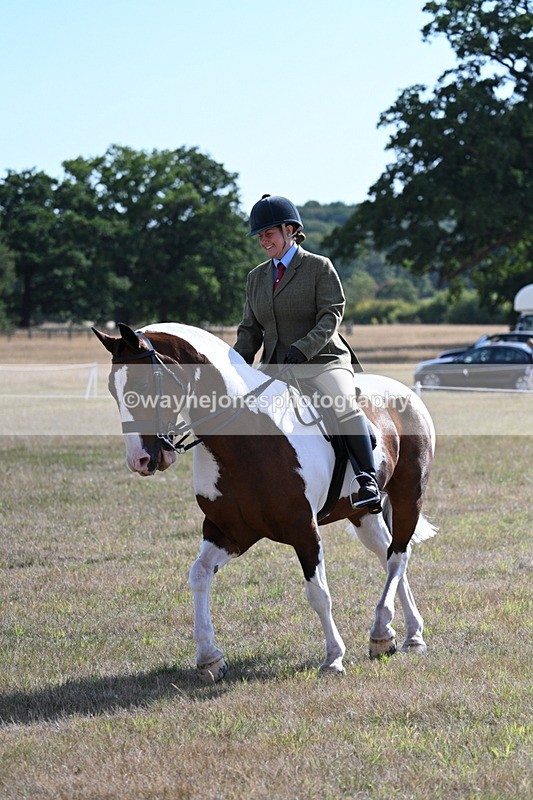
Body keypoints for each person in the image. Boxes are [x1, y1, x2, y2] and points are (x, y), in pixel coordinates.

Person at [234, 194, 381, 513]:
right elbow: (250, 330)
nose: (263, 241)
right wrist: (233, 365)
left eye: (268, 234)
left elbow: (331, 315)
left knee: (342, 404)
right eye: (259, 236)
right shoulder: (256, 277)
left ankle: (366, 480)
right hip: (275, 367)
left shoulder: (318, 267)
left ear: (289, 230)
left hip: (322, 360)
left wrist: (304, 348)